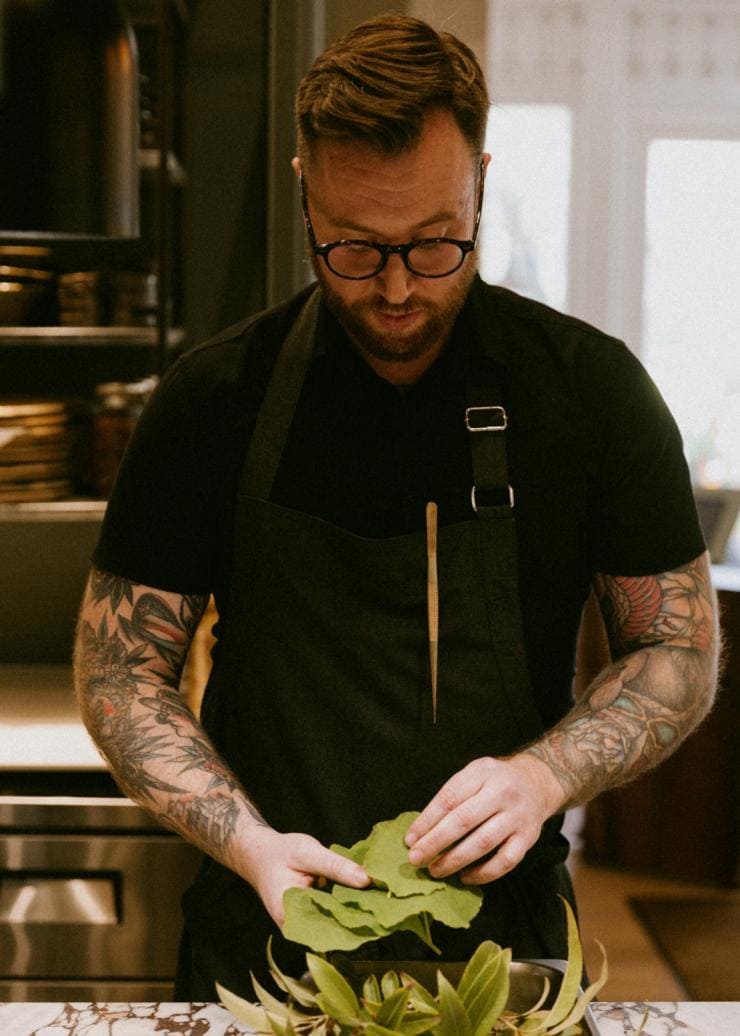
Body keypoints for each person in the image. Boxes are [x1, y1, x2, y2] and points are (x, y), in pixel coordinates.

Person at [74, 15, 719, 1000]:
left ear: (481, 181)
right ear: (303, 193)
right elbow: (120, 667)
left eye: (432, 245)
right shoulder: (214, 401)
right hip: (263, 958)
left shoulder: (589, 393)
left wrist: (542, 777)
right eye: (351, 249)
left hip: (503, 959)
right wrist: (246, 844)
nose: (393, 291)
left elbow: (676, 651)